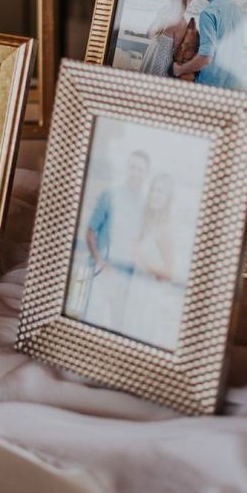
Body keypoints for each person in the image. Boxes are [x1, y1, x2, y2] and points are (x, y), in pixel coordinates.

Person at [83, 150, 150, 333]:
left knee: (117, 321)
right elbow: (90, 232)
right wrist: (99, 261)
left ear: (146, 173)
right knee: (93, 319)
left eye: (140, 169)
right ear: (127, 169)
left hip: (127, 272)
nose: (136, 172)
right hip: (104, 267)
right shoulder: (110, 195)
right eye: (133, 167)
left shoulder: (146, 203)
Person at [122, 174, 186, 350]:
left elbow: (170, 273)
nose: (155, 195)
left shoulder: (166, 230)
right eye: (153, 190)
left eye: (160, 191)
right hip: (135, 292)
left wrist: (141, 261)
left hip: (149, 298)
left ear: (167, 198)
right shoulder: (147, 223)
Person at [172, 0, 244, 89]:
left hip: (209, 85)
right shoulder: (236, 9)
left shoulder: (208, 13)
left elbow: (205, 57)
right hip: (232, 85)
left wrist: (179, 70)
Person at [140, 0, 197, 77]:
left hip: (150, 58)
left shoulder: (166, 10)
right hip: (160, 67)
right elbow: (177, 55)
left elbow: (149, 32)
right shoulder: (180, 21)